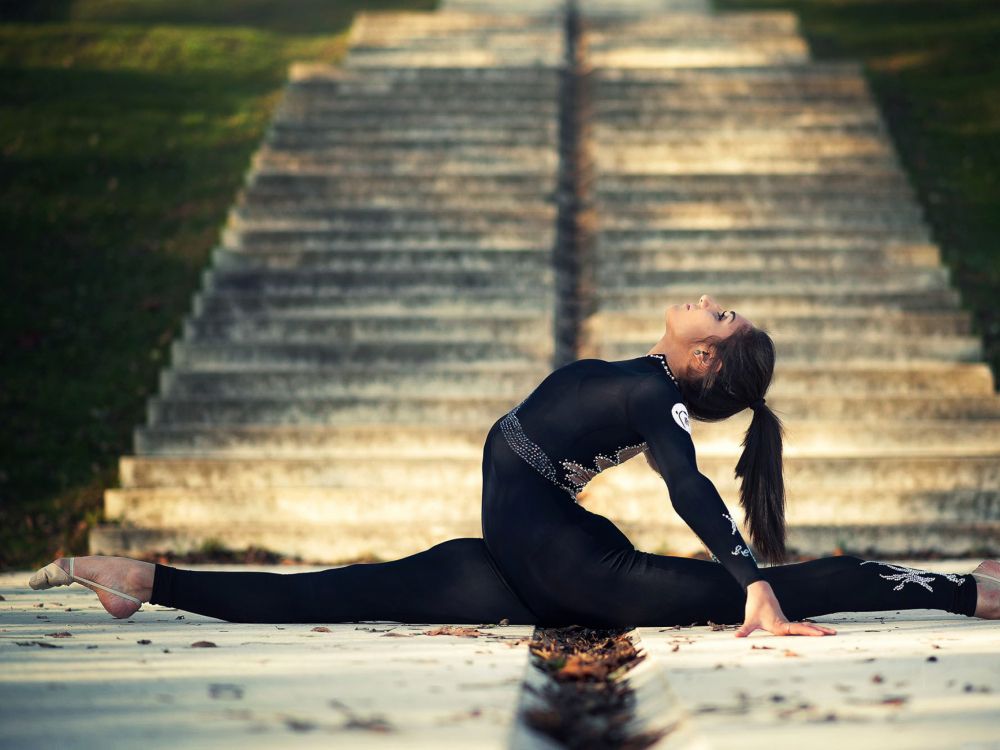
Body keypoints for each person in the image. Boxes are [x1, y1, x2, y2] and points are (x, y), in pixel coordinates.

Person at [29, 295, 1000, 636]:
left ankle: (966, 593)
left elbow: (687, 483)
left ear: (704, 359)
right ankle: (144, 582)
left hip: (571, 568)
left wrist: (746, 583)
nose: (710, 300)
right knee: (335, 592)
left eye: (723, 314)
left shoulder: (659, 398)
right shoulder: (651, 377)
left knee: (791, 587)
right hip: (536, 558)